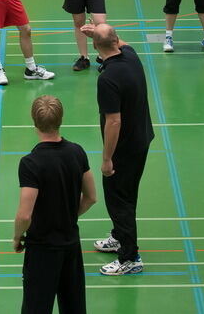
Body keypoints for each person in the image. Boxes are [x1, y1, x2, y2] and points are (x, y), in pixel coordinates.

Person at [13, 95, 96, 314]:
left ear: (34, 121)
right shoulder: (77, 152)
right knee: (74, 307)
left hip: (42, 248)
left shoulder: (31, 163)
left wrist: (17, 236)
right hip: (70, 245)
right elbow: (91, 197)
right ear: (60, 119)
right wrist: (69, 215)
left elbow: (24, 215)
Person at [81, 23, 153, 276]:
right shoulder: (131, 57)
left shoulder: (108, 79)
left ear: (95, 47)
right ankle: (119, 237)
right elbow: (119, 42)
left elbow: (114, 121)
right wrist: (100, 33)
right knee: (127, 194)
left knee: (119, 200)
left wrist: (107, 158)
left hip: (124, 149)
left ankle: (130, 258)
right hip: (142, 138)